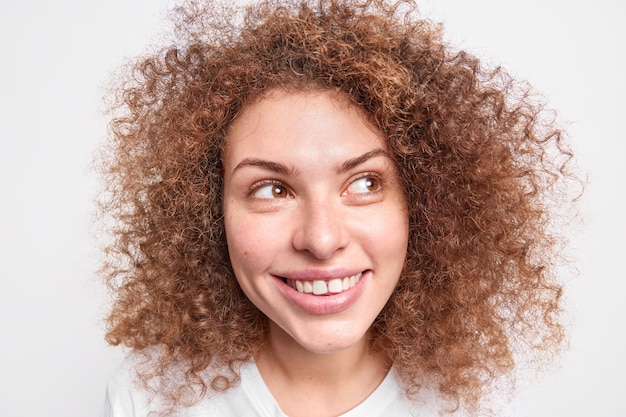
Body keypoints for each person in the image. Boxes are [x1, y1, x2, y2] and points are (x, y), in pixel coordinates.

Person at [98, 0, 578, 416]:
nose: (322, 241)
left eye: (365, 183)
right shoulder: (152, 397)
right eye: (271, 190)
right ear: (208, 214)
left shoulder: (473, 397)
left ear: (426, 204)